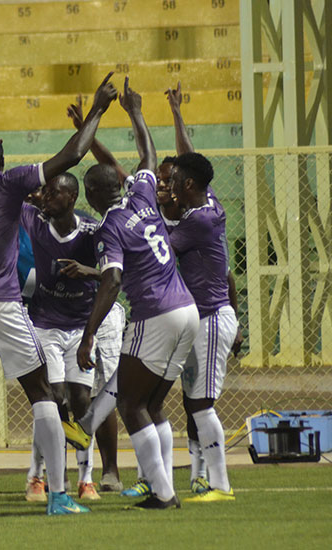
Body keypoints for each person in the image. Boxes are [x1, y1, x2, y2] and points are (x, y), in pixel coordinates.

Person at [0, 73, 117, 518]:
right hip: (1, 300)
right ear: (0, 160)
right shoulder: (9, 182)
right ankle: (57, 495)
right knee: (42, 394)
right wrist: (97, 109)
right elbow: (72, 155)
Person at [77, 77, 199, 509]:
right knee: (152, 403)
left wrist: (89, 333)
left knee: (130, 404)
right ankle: (160, 485)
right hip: (186, 309)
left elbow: (112, 280)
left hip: (155, 314)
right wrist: (135, 112)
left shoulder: (109, 226)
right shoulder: (143, 196)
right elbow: (148, 155)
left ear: (92, 195)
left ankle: (162, 492)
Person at [20, 172, 124, 502]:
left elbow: (115, 276)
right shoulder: (35, 221)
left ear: (72, 198)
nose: (46, 197)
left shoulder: (94, 231)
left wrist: (87, 271)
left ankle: (86, 478)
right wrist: (27, 192)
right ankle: (37, 476)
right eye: (45, 192)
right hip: (45, 325)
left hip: (81, 327)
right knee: (51, 399)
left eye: (54, 193)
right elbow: (9, 193)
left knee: (81, 401)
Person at [165, 83, 243, 499]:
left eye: (176, 180)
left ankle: (220, 484)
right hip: (203, 318)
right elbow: (189, 157)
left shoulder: (198, 221)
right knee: (194, 401)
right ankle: (205, 478)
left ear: (189, 184)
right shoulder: (205, 200)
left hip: (212, 318)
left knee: (201, 404)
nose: (171, 182)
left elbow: (160, 250)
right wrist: (177, 113)